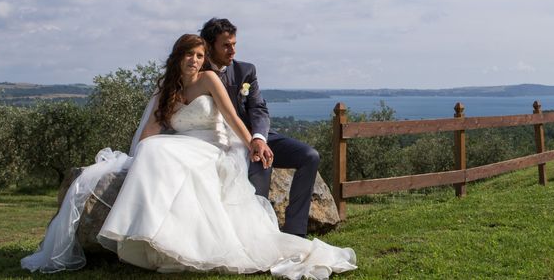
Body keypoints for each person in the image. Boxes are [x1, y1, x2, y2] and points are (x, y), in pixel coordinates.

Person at [22, 34, 356, 278]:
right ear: (178, 58)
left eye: (199, 55)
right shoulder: (166, 89)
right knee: (153, 148)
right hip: (181, 143)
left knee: (164, 152)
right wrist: (136, 155)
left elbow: (232, 118)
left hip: (213, 145)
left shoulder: (210, 79)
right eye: (189, 55)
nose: (194, 60)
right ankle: (149, 238)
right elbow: (151, 131)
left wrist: (254, 142)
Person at [200, 17, 320, 237]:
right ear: (209, 46)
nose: (232, 50)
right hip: (219, 140)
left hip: (255, 136)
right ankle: (259, 234)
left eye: (234, 44)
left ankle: (295, 231)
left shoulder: (246, 71)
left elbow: (259, 109)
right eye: (226, 45)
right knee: (261, 163)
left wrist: (258, 138)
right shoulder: (197, 72)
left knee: (309, 156)